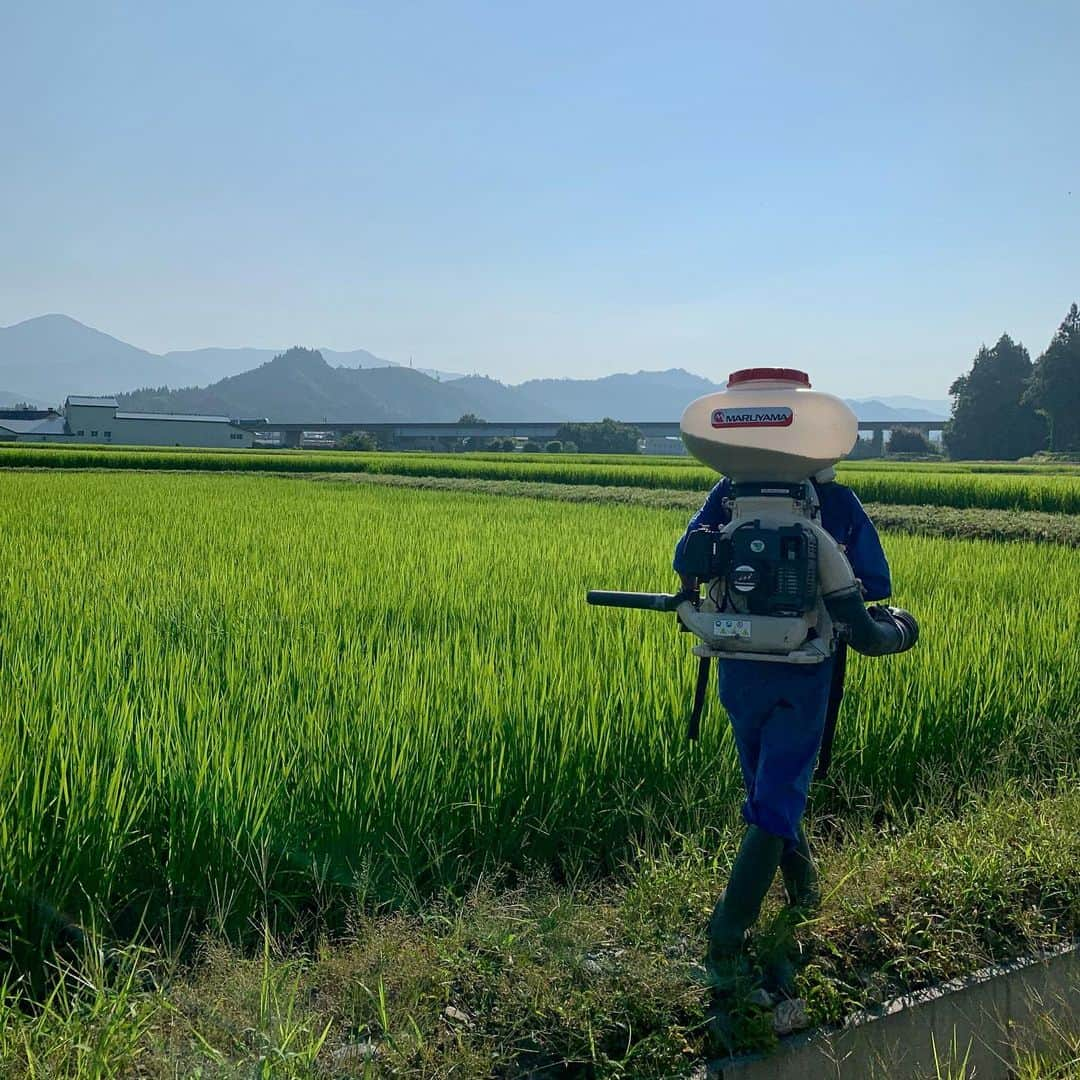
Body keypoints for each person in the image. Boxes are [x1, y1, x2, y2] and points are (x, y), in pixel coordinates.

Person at [672, 466, 891, 987]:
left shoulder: (728, 493)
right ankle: (728, 932)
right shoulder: (836, 502)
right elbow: (875, 582)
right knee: (778, 789)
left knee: (766, 783)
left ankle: (804, 891)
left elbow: (689, 558)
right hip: (804, 668)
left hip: (737, 664)